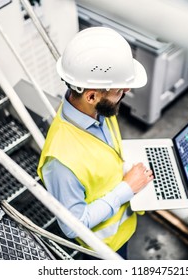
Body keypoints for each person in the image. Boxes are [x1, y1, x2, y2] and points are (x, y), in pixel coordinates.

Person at [37, 27, 154, 259]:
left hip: (124, 231)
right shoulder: (61, 161)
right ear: (91, 96)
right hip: (103, 251)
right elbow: (73, 226)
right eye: (119, 89)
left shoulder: (98, 111)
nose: (126, 91)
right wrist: (127, 188)